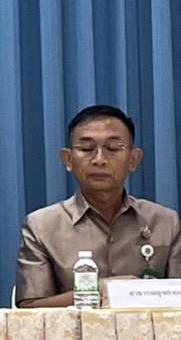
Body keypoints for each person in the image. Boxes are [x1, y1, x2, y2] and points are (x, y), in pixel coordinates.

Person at [16, 105, 181, 307]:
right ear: (68, 160)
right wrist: (102, 289)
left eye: (113, 148)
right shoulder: (42, 226)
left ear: (133, 160)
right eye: (86, 149)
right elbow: (29, 307)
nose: (99, 160)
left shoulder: (166, 222)